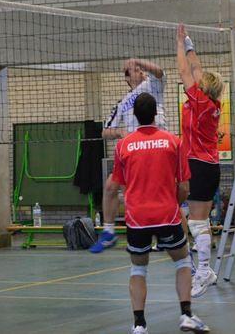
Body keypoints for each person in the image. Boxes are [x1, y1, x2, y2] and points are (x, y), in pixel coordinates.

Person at [101, 92, 209, 334]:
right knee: (182, 261)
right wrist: (173, 204)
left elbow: (113, 186)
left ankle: (139, 324)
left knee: (138, 269)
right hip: (166, 215)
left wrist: (108, 225)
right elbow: (184, 187)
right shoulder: (174, 142)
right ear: (155, 114)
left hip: (137, 218)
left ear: (135, 116)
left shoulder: (123, 145)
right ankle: (186, 315)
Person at [91, 58, 167, 252]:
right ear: (127, 76)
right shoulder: (122, 103)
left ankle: (166, 233)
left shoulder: (152, 86)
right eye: (135, 69)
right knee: (110, 186)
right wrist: (119, 133)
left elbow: (158, 71)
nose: (141, 71)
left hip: (155, 148)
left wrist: (138, 60)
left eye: (141, 69)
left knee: (166, 193)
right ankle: (109, 232)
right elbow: (105, 132)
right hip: (133, 152)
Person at [176, 24, 224, 298]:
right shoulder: (211, 103)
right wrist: (190, 43)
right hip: (207, 166)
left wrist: (178, 45)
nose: (197, 77)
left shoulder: (200, 102)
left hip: (198, 165)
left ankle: (204, 270)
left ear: (203, 87)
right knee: (198, 220)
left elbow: (185, 71)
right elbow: (195, 68)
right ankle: (207, 269)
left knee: (197, 222)